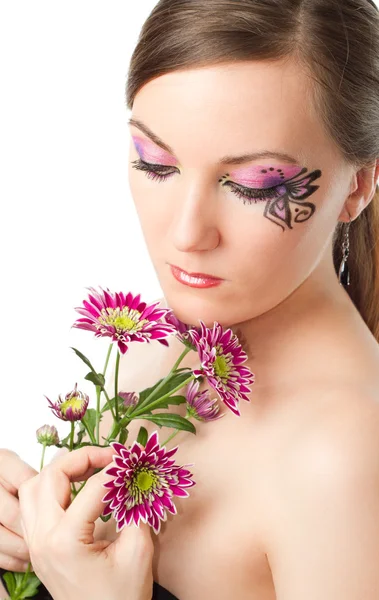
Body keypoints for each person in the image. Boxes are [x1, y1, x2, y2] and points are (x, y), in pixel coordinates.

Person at [1, 0, 379, 598]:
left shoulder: (347, 462)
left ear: (358, 185)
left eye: (253, 185)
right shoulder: (153, 355)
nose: (185, 233)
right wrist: (24, 551)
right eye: (156, 164)